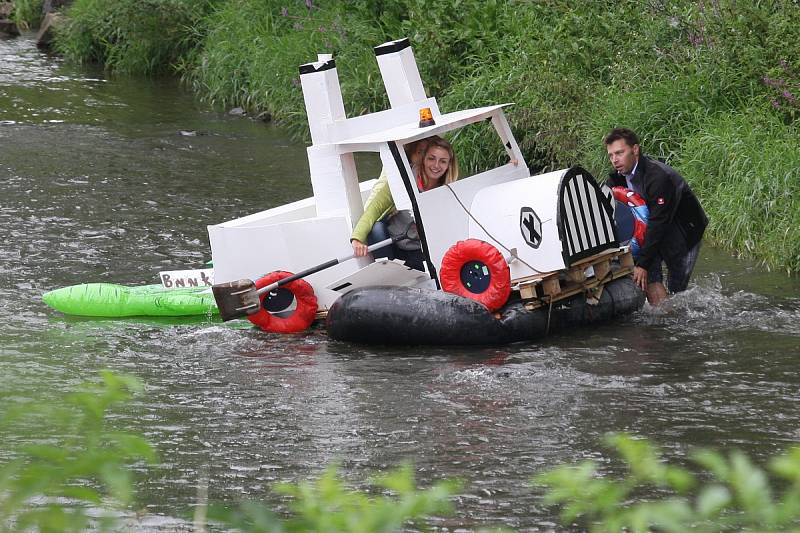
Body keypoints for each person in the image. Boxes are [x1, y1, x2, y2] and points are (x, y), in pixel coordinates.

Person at [604, 127, 708, 305]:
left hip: (684, 230)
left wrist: (643, 263)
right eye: (611, 155)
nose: (615, 160)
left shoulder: (658, 177)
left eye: (620, 153)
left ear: (635, 150)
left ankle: (675, 319)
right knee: (650, 277)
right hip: (651, 229)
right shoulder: (616, 180)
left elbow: (658, 223)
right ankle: (658, 314)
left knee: (677, 290)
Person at [350, 136, 458, 268]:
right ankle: (388, 272)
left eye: (443, 161)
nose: (436, 166)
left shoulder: (451, 189)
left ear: (449, 165)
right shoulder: (400, 180)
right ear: (423, 159)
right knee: (376, 228)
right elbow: (373, 209)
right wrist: (357, 238)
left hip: (426, 248)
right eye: (431, 158)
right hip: (399, 246)